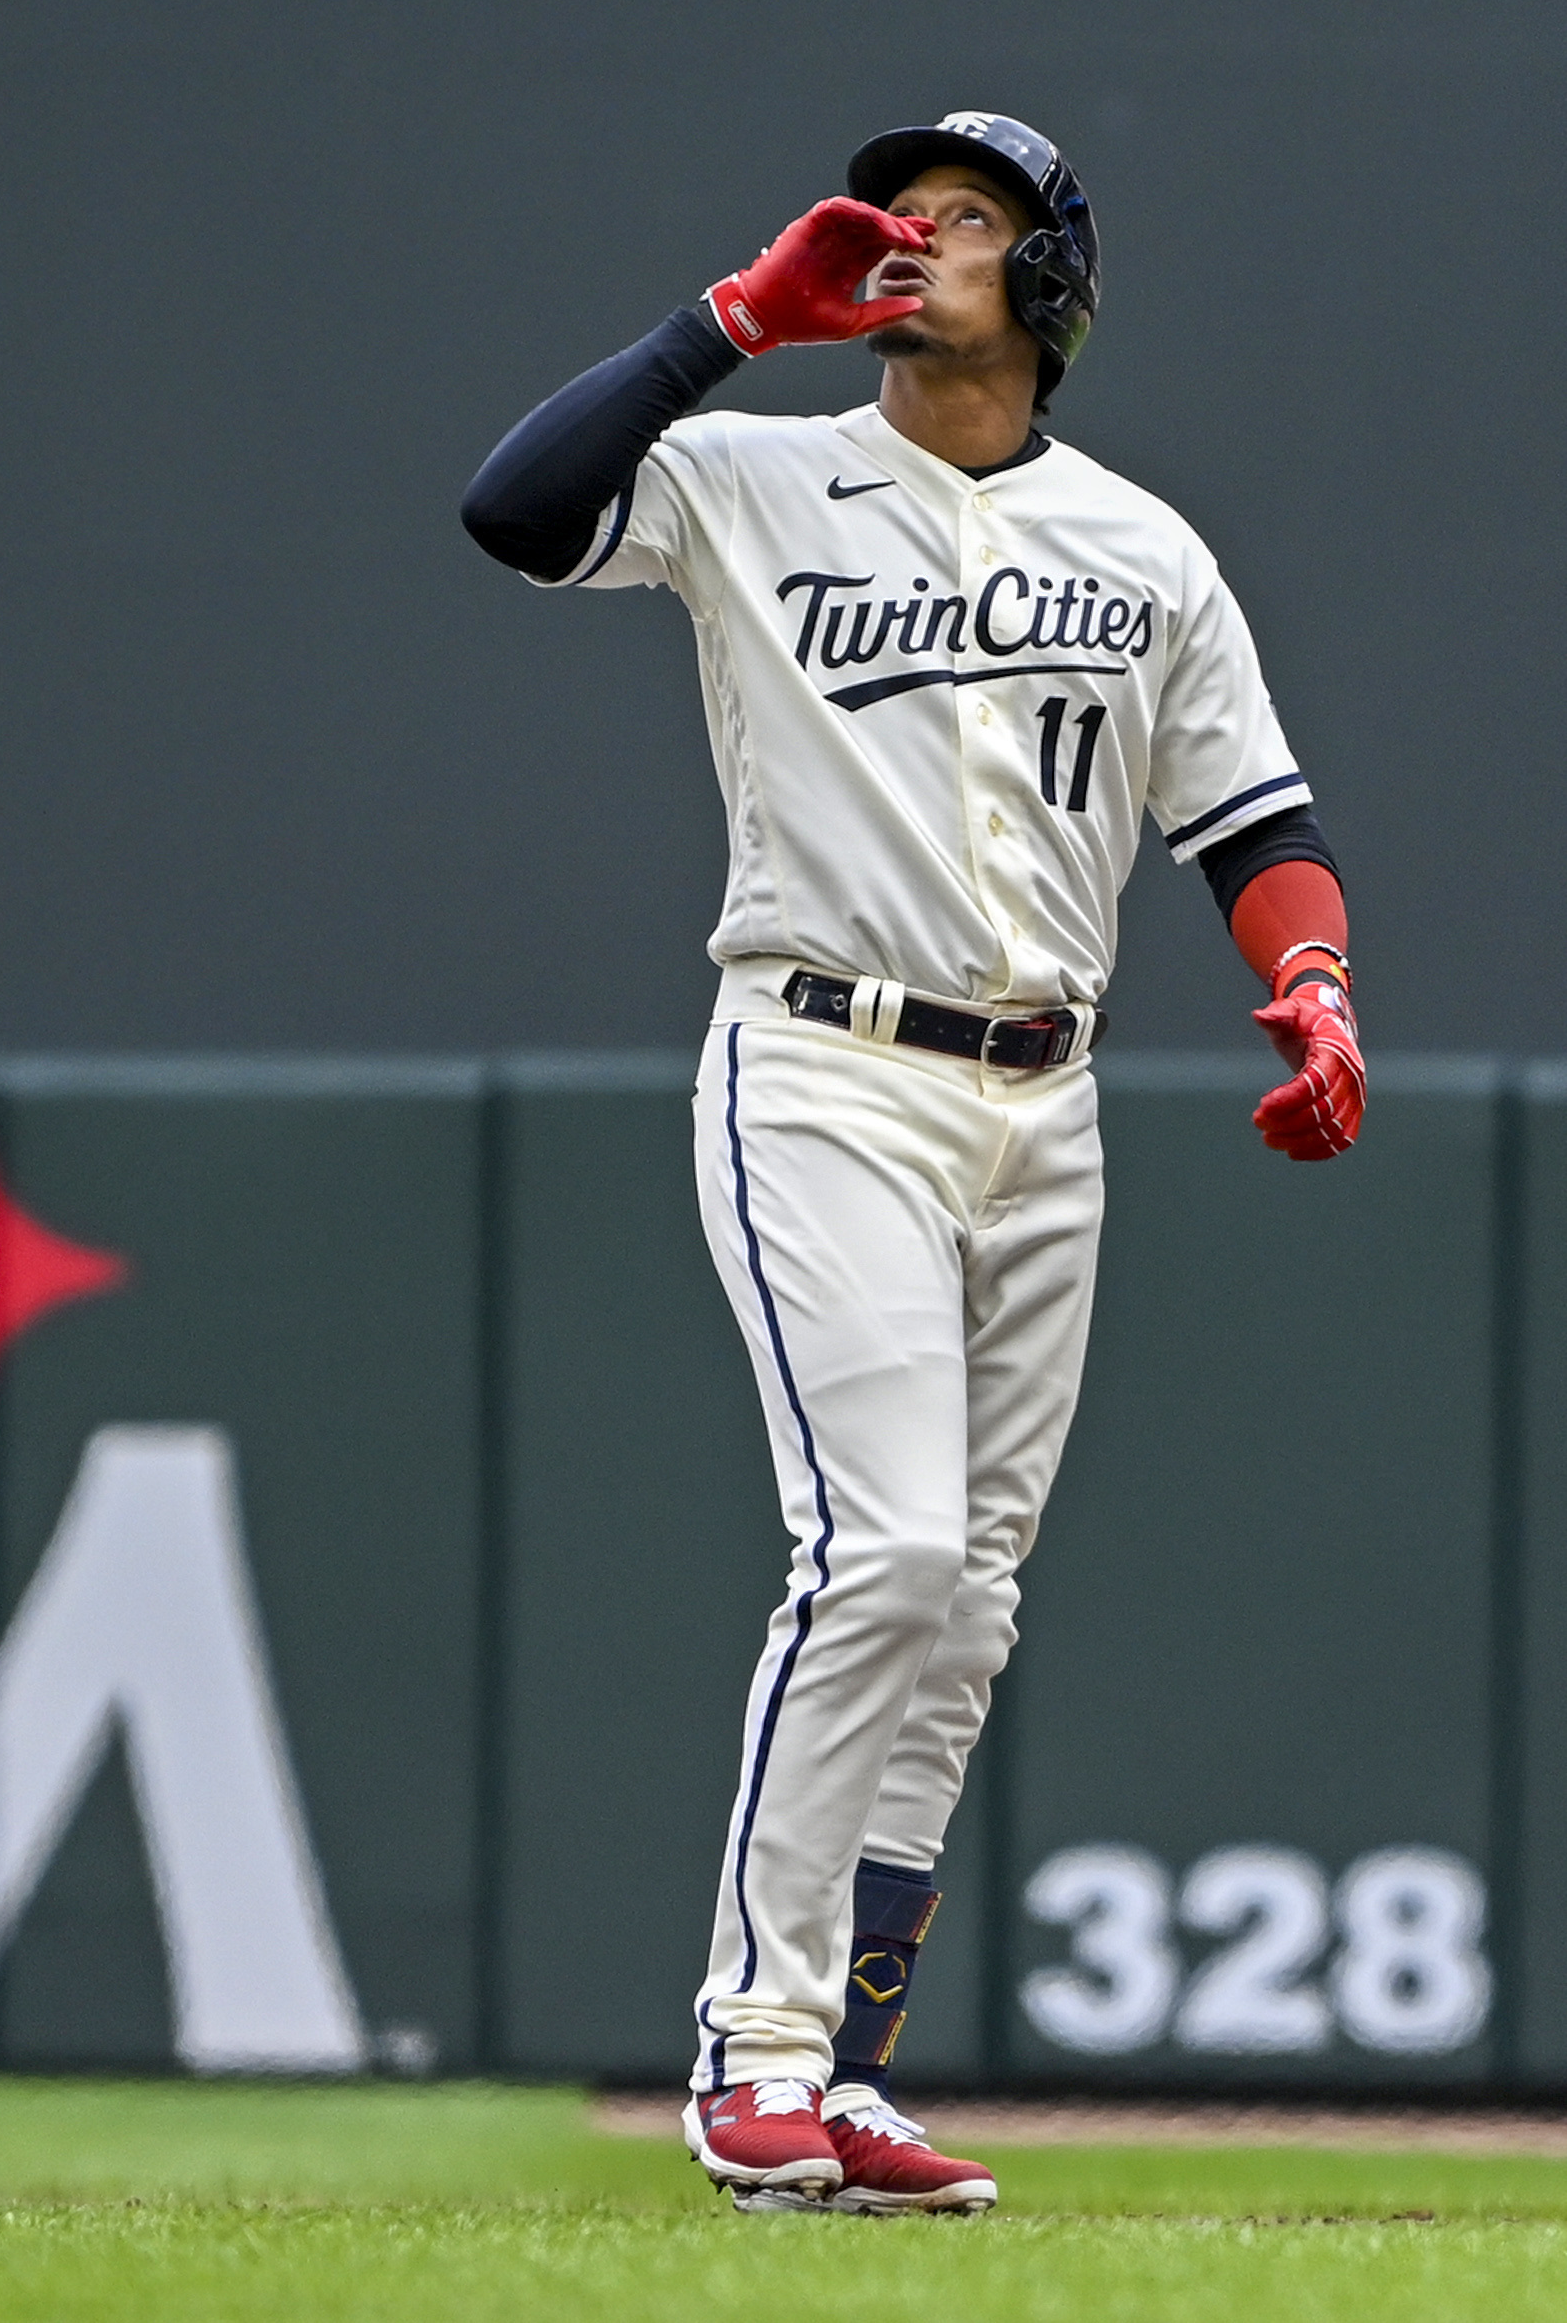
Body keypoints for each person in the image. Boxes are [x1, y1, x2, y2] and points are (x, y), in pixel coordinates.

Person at [460, 112, 1362, 2220]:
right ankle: (748, 2053)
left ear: (1053, 282)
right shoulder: (753, 472)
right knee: (878, 1554)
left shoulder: (1144, 545)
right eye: (901, 214)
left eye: (967, 221)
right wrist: (729, 324)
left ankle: (847, 2074)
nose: (916, 241)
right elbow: (511, 514)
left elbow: (1252, 826)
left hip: (1045, 1102)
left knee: (965, 1607)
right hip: (827, 1063)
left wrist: (1312, 981)